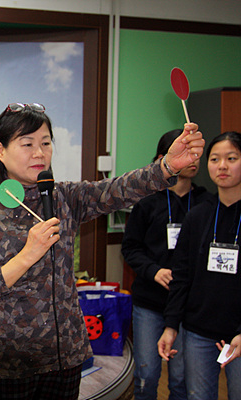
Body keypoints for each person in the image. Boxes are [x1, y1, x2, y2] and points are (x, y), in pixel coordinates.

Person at [0, 102, 204, 400]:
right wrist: (27, 254)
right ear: (0, 150)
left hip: (67, 356)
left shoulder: (64, 197)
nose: (39, 152)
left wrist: (166, 167)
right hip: (11, 361)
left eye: (46, 143)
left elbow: (117, 189)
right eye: (27, 144)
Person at [121, 129, 212, 400]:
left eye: (196, 152)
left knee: (181, 380)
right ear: (165, 157)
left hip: (190, 306)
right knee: (147, 376)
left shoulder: (208, 203)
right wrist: (154, 271)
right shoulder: (147, 202)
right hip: (150, 302)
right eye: (185, 151)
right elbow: (130, 247)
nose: (193, 158)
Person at [158, 131, 241, 400]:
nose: (222, 166)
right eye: (215, 159)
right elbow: (181, 275)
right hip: (198, 331)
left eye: (232, 158)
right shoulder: (198, 215)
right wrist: (171, 326)